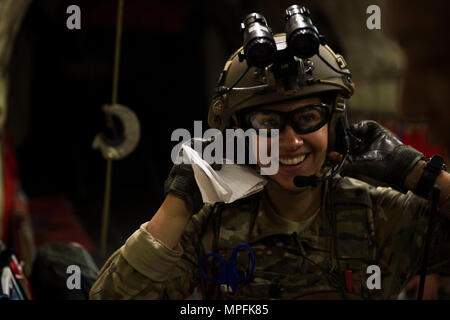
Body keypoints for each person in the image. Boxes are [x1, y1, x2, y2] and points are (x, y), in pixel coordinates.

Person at [89, 10, 450, 299]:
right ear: (239, 137)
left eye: (308, 118)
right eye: (267, 123)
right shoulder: (210, 228)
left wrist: (418, 173)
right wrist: (178, 201)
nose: (291, 142)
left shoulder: (377, 217)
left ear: (335, 126)